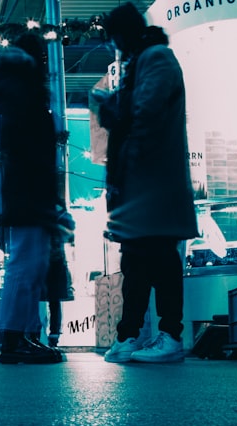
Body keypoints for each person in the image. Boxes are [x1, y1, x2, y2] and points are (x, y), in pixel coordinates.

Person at [95, 3, 199, 364]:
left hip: (154, 180)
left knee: (157, 259)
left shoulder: (156, 59)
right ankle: (132, 335)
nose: (114, 46)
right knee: (138, 260)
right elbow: (136, 111)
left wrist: (114, 112)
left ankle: (169, 335)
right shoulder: (143, 61)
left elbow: (145, 111)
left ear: (124, 33)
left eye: (115, 38)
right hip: (145, 183)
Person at [0, 33, 62, 365]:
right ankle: (15, 338)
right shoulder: (23, 89)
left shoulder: (16, 87)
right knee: (25, 265)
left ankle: (25, 335)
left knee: (31, 266)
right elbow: (30, 148)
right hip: (30, 190)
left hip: (28, 189)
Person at [43, 205, 75, 349]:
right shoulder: (59, 212)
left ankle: (46, 336)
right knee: (53, 301)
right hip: (53, 260)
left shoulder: (50, 211)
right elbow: (70, 231)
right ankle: (52, 337)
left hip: (44, 260)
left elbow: (70, 231)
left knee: (49, 300)